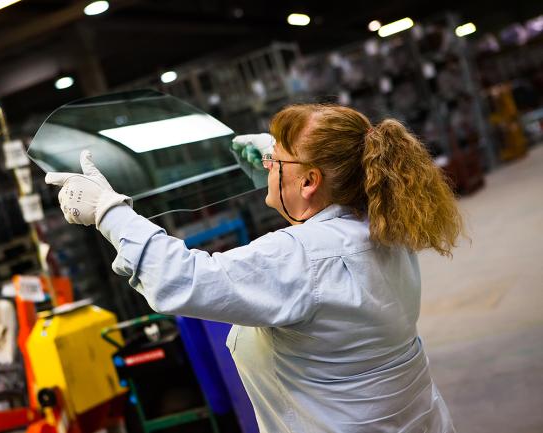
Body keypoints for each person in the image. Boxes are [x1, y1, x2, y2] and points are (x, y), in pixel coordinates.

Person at [45, 103, 463, 432]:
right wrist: (284, 169)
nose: (267, 166)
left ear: (310, 181)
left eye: (276, 162)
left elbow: (181, 280)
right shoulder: (381, 225)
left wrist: (108, 211)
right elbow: (322, 247)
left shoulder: (303, 258)